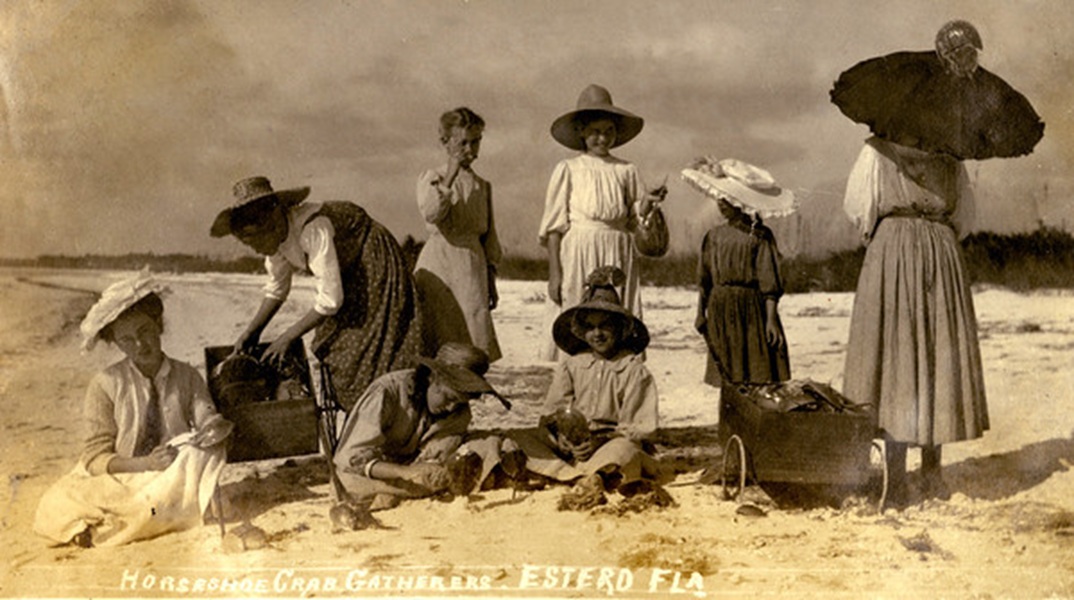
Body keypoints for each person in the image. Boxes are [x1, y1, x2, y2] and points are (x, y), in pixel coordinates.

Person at [33, 271, 231, 547]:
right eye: (126, 340)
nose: (139, 345)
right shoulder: (105, 384)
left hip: (172, 473)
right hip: (123, 474)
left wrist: (212, 428)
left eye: (145, 332)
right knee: (56, 498)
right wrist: (144, 464)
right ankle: (147, 515)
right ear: (116, 343)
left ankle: (114, 524)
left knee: (200, 453)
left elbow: (206, 418)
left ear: (158, 326)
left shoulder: (187, 376)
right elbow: (95, 457)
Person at [842, 136, 988, 505]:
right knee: (936, 356)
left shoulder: (877, 151)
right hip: (941, 250)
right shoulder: (952, 157)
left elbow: (860, 210)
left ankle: (897, 479)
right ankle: (931, 473)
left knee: (896, 357)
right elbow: (964, 218)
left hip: (893, 248)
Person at [210, 176, 421, 412]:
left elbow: (330, 299)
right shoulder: (276, 241)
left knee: (369, 345)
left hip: (373, 264)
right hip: (345, 272)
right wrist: (252, 331)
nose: (257, 250)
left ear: (273, 225)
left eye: (256, 243)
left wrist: (287, 337)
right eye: (250, 246)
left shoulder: (312, 228)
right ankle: (365, 410)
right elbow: (277, 288)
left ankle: (386, 407)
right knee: (331, 344)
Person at [513, 267, 662, 508]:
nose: (597, 334)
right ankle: (579, 474)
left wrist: (601, 440)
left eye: (605, 326)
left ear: (621, 329)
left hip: (610, 442)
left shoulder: (634, 370)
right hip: (574, 444)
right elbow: (553, 410)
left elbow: (640, 427)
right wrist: (561, 438)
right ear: (581, 331)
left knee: (624, 452)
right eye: (590, 327)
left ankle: (586, 478)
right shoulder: (572, 364)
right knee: (520, 438)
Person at [538, 84, 665, 361]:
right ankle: (577, 380)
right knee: (579, 313)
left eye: (609, 131)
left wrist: (649, 201)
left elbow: (634, 218)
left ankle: (616, 381)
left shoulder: (626, 170)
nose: (602, 138)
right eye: (595, 131)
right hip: (579, 250)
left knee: (616, 318)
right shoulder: (569, 169)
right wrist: (555, 274)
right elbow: (553, 229)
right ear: (581, 131)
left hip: (617, 251)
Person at [332, 342, 512, 509]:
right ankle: (404, 492)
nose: (451, 407)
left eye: (459, 402)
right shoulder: (388, 391)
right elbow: (351, 457)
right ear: (432, 378)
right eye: (448, 398)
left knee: (491, 443)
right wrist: (404, 472)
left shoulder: (459, 411)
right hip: (378, 469)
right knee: (346, 483)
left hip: (415, 471)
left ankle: (403, 493)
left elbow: (437, 454)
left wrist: (433, 468)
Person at [688, 158, 795, 387]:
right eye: (719, 198)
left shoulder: (760, 236)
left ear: (743, 202)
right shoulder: (713, 236)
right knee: (727, 371)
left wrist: (771, 320)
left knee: (756, 369)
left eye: (728, 199)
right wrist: (700, 313)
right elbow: (704, 281)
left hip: (751, 308)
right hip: (720, 309)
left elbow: (769, 284)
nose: (721, 204)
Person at [414, 107, 503, 361]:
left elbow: (490, 237)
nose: (470, 149)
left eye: (475, 142)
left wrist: (491, 280)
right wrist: (450, 175)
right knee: (437, 337)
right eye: (462, 142)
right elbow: (431, 214)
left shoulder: (482, 186)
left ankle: (462, 395)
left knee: (470, 339)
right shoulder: (433, 178)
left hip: (472, 268)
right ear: (445, 142)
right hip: (439, 265)